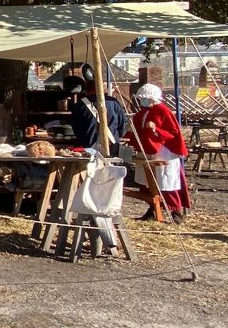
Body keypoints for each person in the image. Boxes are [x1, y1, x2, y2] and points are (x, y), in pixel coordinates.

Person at [128, 83, 191, 224]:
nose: (143, 101)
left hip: (163, 150)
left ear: (152, 98)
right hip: (146, 150)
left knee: (166, 181)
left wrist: (156, 130)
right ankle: (153, 208)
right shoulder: (142, 113)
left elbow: (173, 132)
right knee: (147, 181)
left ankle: (176, 211)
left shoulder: (163, 111)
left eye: (145, 98)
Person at [64, 69, 127, 157]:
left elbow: (76, 128)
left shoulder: (79, 105)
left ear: (87, 90)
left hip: (88, 145)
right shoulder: (113, 102)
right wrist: (115, 136)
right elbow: (122, 125)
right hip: (112, 144)